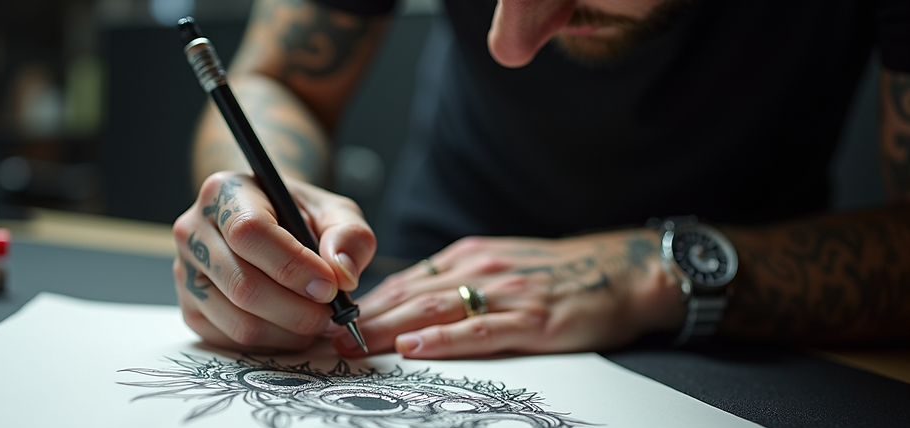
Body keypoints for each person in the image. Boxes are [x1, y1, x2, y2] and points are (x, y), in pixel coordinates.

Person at [172, 0, 910, 359]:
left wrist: (647, 272)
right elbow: (278, 80)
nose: (509, 42)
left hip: (764, 333)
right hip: (420, 291)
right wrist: (256, 198)